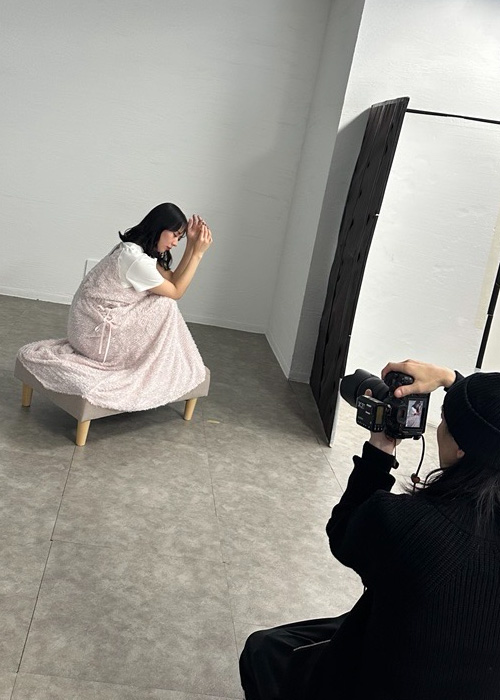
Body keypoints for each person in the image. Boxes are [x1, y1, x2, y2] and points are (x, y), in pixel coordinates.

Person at [240, 359, 500, 700]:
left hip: (377, 680)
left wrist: (380, 450)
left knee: (263, 650)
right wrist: (449, 379)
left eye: (444, 420)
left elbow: (343, 532)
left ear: (460, 449)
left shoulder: (405, 524)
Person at [17, 203, 212, 411]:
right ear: (159, 227)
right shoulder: (135, 261)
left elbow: (172, 280)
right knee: (166, 304)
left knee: (164, 299)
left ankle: (166, 360)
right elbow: (176, 292)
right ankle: (167, 363)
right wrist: (198, 255)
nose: (175, 243)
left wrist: (192, 245)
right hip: (96, 339)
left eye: (179, 238)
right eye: (174, 235)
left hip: (86, 329)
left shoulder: (133, 249)